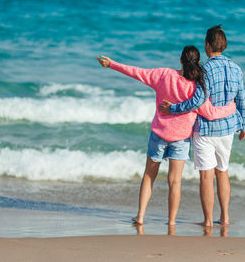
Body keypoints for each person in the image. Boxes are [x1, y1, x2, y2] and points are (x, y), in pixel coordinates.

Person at [97, 46, 236, 225]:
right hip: (181, 138)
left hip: (159, 134)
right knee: (175, 182)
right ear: (199, 63)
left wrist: (112, 64)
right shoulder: (197, 86)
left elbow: (137, 72)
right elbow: (209, 113)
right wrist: (231, 108)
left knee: (149, 175)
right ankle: (171, 221)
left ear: (180, 61)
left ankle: (140, 216)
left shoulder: (163, 75)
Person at [159, 25, 245, 227]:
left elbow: (198, 100)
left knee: (206, 176)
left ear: (208, 46)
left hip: (206, 129)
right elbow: (242, 98)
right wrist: (243, 123)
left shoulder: (205, 70)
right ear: (224, 45)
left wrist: (173, 109)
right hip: (227, 129)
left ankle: (208, 221)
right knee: (223, 172)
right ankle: (225, 217)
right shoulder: (237, 69)